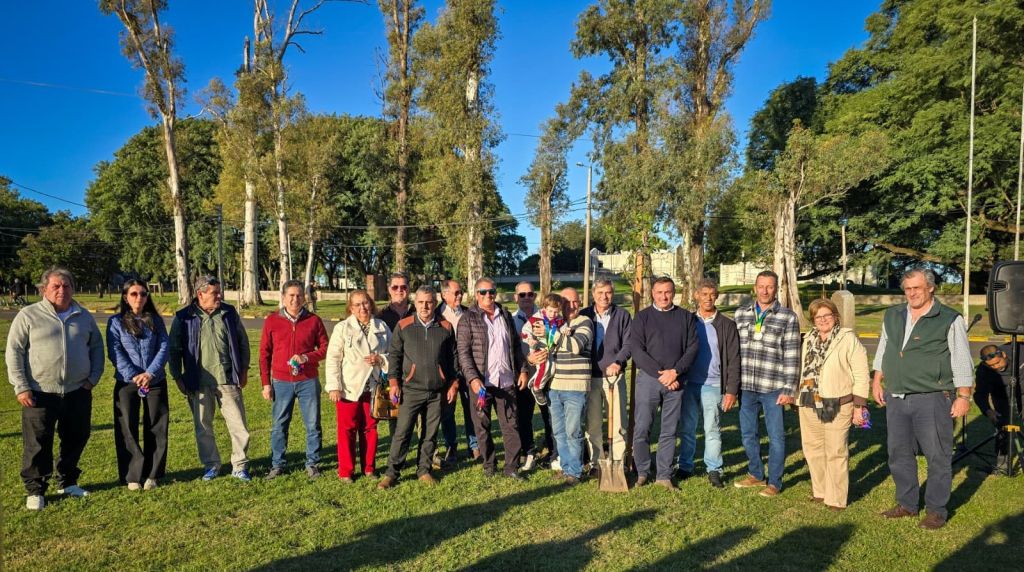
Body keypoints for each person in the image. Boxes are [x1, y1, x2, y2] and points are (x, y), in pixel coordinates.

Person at [872, 267, 974, 530]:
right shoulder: (893, 315)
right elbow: (884, 347)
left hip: (932, 396)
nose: (912, 293)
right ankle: (907, 504)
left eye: (917, 288)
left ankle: (936, 510)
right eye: (907, 289)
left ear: (930, 288)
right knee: (898, 453)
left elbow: (961, 359)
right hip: (897, 396)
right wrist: (877, 379)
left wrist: (963, 395)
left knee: (937, 455)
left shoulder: (949, 318)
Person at [6, 268, 103, 510]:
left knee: (76, 437)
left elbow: (96, 348)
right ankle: (36, 489)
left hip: (77, 391)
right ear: (43, 290)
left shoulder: (83, 316)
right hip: (39, 392)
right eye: (56, 286)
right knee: (38, 442)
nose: (62, 290)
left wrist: (92, 378)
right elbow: (14, 351)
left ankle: (68, 482)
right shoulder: (28, 315)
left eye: (67, 285)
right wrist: (21, 387)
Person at [169, 275, 253, 482]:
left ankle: (240, 466)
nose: (219, 296)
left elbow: (242, 342)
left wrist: (243, 370)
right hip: (197, 382)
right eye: (215, 293)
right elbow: (174, 349)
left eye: (219, 292)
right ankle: (211, 465)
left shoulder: (229, 313)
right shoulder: (184, 317)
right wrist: (177, 377)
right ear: (200, 294)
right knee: (203, 427)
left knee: (239, 426)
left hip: (228, 379)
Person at [378, 285, 459, 489]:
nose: (425, 306)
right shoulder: (404, 325)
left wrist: (453, 383)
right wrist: (394, 382)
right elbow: (395, 356)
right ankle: (392, 473)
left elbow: (453, 359)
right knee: (402, 432)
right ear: (415, 303)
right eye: (421, 302)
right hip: (411, 390)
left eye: (429, 302)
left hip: (437, 391)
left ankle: (424, 470)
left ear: (435, 303)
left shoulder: (446, 327)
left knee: (430, 434)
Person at [732, 270, 801, 497]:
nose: (765, 291)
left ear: (776, 288)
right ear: (755, 287)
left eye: (769, 287)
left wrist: (789, 389)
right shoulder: (741, 314)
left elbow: (792, 355)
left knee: (776, 437)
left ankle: (774, 482)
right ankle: (756, 474)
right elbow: (733, 352)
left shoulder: (787, 317)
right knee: (748, 434)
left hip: (773, 387)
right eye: (761, 286)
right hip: (747, 387)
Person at [797, 298, 870, 511]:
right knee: (813, 449)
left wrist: (859, 406)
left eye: (827, 315)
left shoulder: (847, 338)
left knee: (836, 451)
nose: (823, 320)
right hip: (809, 401)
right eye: (818, 316)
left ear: (835, 316)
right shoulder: (809, 338)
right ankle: (820, 491)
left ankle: (836, 498)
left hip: (837, 402)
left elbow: (861, 373)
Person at [628, 277, 698, 489]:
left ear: (674, 293)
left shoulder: (685, 317)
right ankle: (642, 471)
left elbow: (692, 348)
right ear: (653, 293)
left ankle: (664, 475)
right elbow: (637, 350)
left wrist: (675, 372)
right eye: (659, 292)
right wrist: (662, 375)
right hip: (649, 380)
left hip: (676, 382)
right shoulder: (642, 317)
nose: (663, 296)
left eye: (667, 292)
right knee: (642, 428)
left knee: (669, 430)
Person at [457, 278, 529, 479]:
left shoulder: (505, 314)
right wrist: (472, 379)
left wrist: (523, 370)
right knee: (482, 426)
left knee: (511, 425)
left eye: (491, 291)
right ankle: (489, 463)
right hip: (481, 383)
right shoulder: (467, 318)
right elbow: (463, 353)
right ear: (476, 294)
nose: (488, 295)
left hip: (505, 380)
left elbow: (515, 346)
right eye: (483, 292)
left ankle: (511, 467)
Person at [259, 280, 329, 480]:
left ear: (304, 298)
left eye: (299, 295)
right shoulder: (272, 320)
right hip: (281, 382)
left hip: (308, 380)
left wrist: (307, 357)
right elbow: (264, 354)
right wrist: (266, 383)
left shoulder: (314, 321)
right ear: (283, 297)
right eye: (291, 295)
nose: (295, 299)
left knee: (313, 424)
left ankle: (313, 463)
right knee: (279, 424)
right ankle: (277, 464)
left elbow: (325, 348)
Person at [675, 278, 740, 489]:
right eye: (704, 294)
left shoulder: (727, 325)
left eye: (712, 295)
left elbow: (734, 359)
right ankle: (685, 465)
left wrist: (731, 390)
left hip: (713, 384)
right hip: (689, 383)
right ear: (696, 296)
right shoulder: (688, 321)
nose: (708, 298)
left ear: (717, 296)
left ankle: (714, 469)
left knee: (712, 428)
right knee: (688, 427)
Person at [107, 279, 170, 491]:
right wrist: (134, 375)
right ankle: (132, 475)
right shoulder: (116, 322)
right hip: (127, 382)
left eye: (143, 294)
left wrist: (150, 373)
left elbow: (164, 347)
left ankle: (153, 474)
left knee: (157, 426)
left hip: (155, 381)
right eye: (134, 294)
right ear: (126, 297)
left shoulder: (156, 320)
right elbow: (115, 351)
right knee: (127, 428)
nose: (139, 298)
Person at [325, 289, 391, 482]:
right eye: (357, 305)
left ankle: (369, 468)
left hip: (373, 387)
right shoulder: (342, 328)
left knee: (370, 428)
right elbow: (333, 358)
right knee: (347, 429)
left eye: (365, 303)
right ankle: (346, 471)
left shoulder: (381, 326)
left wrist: (380, 359)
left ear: (371, 304)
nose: (362, 308)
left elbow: (394, 353)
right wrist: (334, 386)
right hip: (349, 387)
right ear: (351, 308)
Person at [530, 288, 593, 484]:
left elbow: (576, 346)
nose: (571, 306)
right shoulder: (556, 324)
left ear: (580, 303)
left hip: (575, 387)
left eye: (575, 302)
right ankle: (566, 467)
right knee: (558, 432)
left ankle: (574, 471)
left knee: (573, 431)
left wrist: (552, 333)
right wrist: (534, 356)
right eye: (566, 302)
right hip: (554, 386)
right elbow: (543, 347)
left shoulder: (584, 322)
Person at [579, 279, 631, 473]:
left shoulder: (622, 315)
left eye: (608, 292)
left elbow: (629, 343)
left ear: (613, 294)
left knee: (618, 423)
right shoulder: (584, 315)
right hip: (590, 377)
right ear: (593, 294)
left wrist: (618, 362)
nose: (604, 296)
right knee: (592, 424)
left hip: (614, 377)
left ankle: (617, 462)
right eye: (600, 292)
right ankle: (596, 462)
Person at [435, 279, 479, 465]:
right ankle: (451, 446)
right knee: (448, 411)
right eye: (456, 292)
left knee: (472, 409)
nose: (460, 295)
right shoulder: (436, 316)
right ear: (444, 295)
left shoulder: (469, 313)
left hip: (468, 369)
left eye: (461, 292)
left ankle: (474, 446)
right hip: (447, 371)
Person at [513, 280, 554, 471]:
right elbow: (511, 349)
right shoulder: (512, 320)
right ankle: (529, 451)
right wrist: (527, 360)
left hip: (547, 374)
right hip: (524, 374)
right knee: (524, 417)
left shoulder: (546, 316)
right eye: (522, 294)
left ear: (535, 296)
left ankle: (554, 452)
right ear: (516, 297)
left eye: (530, 294)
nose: (526, 298)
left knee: (550, 416)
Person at [974, 344, 1023, 475]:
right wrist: (988, 410)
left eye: (998, 362)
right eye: (992, 365)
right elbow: (980, 394)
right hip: (1001, 396)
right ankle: (1003, 465)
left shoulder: (1020, 352)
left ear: (1004, 355)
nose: (996, 367)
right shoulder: (983, 370)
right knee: (1003, 427)